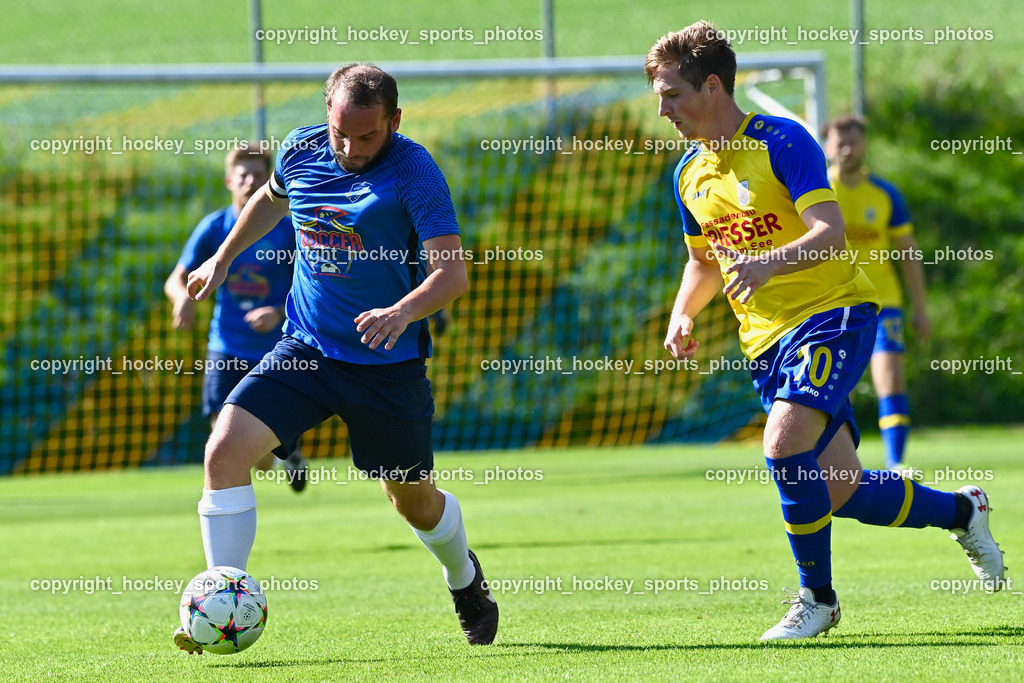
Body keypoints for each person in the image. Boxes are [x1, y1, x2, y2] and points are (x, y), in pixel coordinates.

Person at [647, 21, 1005, 640]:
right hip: (764, 342)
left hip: (833, 315)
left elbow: (829, 233)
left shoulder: (783, 141)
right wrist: (683, 313)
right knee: (840, 491)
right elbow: (702, 261)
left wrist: (767, 261)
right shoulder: (687, 174)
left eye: (673, 95)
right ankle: (962, 510)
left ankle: (817, 600)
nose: (664, 109)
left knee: (782, 446)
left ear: (712, 85)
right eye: (659, 97)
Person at [172, 63, 497, 653]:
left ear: (395, 121)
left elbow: (452, 275)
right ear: (326, 115)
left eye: (367, 136)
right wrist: (221, 260)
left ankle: (464, 579)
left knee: (414, 503)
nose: (348, 149)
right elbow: (270, 203)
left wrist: (401, 312)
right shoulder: (302, 148)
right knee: (224, 450)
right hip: (307, 350)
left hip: (386, 365)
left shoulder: (416, 172)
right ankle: (223, 600)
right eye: (339, 133)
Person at [164, 143, 309, 493]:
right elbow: (176, 278)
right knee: (223, 437)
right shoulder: (215, 227)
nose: (250, 180)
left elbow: (313, 286)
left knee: (257, 452)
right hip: (225, 345)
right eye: (243, 174)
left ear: (270, 182)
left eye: (258, 175)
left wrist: (278, 312)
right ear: (230, 180)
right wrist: (182, 298)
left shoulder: (290, 231)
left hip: (276, 350)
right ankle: (232, 507)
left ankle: (285, 455)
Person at [824, 115, 930, 470]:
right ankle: (841, 464)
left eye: (853, 141)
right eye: (839, 142)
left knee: (891, 378)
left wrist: (920, 308)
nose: (847, 149)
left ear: (865, 145)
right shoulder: (818, 191)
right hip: (834, 306)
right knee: (837, 389)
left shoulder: (885, 194)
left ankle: (896, 463)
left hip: (884, 304)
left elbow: (909, 254)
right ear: (827, 147)